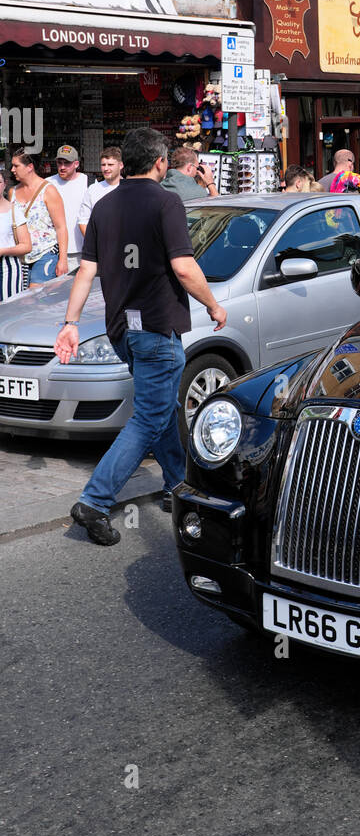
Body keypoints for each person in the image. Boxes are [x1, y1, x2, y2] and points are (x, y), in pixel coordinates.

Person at [55, 128, 228, 547]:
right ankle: (94, 501)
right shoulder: (167, 202)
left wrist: (71, 322)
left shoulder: (104, 205)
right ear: (159, 162)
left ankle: (177, 484)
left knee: (163, 405)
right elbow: (184, 267)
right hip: (156, 326)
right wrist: (213, 305)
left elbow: (86, 269)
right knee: (150, 416)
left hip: (122, 330)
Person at [11, 147, 69, 287]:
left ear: (30, 167)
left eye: (16, 165)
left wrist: (63, 259)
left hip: (45, 253)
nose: (12, 169)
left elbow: (61, 227)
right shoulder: (12, 192)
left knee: (36, 299)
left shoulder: (48, 190)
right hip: (20, 257)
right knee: (22, 302)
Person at [47, 146, 89, 271]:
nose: (62, 167)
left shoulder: (88, 182)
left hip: (82, 251)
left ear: (76, 164)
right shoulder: (47, 184)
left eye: (67, 163)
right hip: (54, 252)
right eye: (59, 163)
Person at [78, 146, 123, 240]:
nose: (106, 168)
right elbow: (83, 221)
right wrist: (94, 245)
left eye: (110, 165)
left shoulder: (130, 189)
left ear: (120, 165)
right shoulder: (93, 189)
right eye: (103, 165)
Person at [0, 181, 31, 301]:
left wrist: (3, 251)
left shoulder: (14, 212)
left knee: (8, 311)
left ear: (4, 184)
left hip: (7, 268)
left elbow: (26, 246)